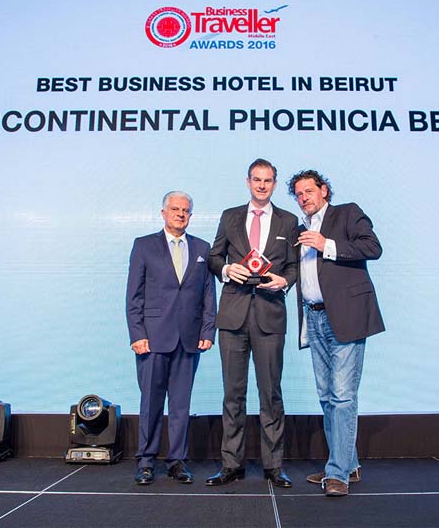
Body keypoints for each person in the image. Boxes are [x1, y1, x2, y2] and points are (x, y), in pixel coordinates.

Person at [287, 170, 385, 497]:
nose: (304, 197)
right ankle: (347, 464)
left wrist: (326, 244)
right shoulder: (299, 230)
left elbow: (373, 247)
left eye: (309, 191)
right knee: (328, 396)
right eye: (299, 194)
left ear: (324, 190)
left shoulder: (347, 213)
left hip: (346, 316)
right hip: (313, 318)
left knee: (343, 396)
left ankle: (337, 473)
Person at [205, 158, 299, 488]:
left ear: (274, 184)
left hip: (270, 315)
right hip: (233, 316)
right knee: (233, 394)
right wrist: (226, 269)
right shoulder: (229, 216)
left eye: (267, 180)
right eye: (256, 180)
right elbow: (214, 257)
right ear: (248, 182)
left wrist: (285, 281)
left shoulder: (289, 221)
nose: (261, 185)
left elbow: (294, 267)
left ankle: (274, 466)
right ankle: (231, 464)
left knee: (271, 394)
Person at [125, 191, 216, 485]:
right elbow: (134, 295)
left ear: (191, 215)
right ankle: (146, 461)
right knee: (151, 403)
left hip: (189, 340)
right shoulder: (143, 245)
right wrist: (137, 334)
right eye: (175, 209)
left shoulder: (202, 248)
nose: (180, 214)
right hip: (152, 339)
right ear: (163, 213)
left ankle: (177, 461)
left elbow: (208, 294)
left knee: (181, 405)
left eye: (185, 210)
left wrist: (208, 330)